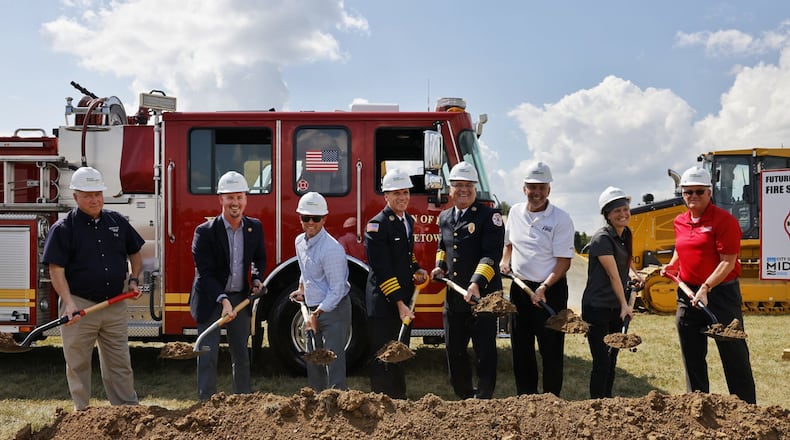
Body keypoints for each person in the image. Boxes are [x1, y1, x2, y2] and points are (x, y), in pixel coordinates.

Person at [41, 166, 144, 411]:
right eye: (88, 195)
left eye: (98, 193)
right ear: (75, 196)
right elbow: (56, 270)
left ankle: (127, 410)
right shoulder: (64, 229)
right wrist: (69, 303)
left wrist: (134, 279)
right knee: (78, 363)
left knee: (119, 361)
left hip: (115, 304)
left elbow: (135, 251)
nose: (94, 199)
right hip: (79, 305)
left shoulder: (116, 222)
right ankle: (82, 412)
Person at [660, 166, 756, 404]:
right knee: (692, 354)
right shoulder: (680, 221)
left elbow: (728, 262)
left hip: (720, 294)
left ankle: (745, 408)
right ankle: (698, 405)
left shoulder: (725, 221)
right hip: (688, 293)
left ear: (709, 193)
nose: (692, 196)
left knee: (733, 352)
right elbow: (681, 249)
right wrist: (672, 265)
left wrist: (706, 287)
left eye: (698, 192)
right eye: (687, 192)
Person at [499, 161, 575, 396]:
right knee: (521, 347)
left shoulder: (561, 219)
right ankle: (526, 396)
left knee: (551, 347)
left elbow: (564, 261)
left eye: (542, 187)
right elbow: (509, 243)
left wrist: (543, 287)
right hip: (520, 290)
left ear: (549, 190)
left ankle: (551, 399)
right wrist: (505, 259)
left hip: (550, 291)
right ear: (524, 189)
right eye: (532, 187)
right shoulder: (514, 212)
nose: (537, 193)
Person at [189, 170, 266, 401]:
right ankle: (206, 402)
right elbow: (206, 273)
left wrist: (256, 278)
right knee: (208, 353)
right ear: (220, 199)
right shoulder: (205, 232)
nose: (235, 203)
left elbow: (258, 259)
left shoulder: (255, 227)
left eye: (239, 197)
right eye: (230, 197)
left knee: (241, 352)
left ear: (246, 199)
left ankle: (242, 403)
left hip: (239, 298)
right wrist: (223, 300)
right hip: (212, 299)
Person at [431, 161, 505, 399]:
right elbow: (443, 246)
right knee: (454, 350)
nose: (463, 190)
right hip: (454, 297)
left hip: (482, 296)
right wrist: (440, 266)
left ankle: (483, 398)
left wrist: (476, 283)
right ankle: (463, 396)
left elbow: (491, 255)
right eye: (458, 185)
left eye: (468, 185)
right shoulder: (444, 217)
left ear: (475, 187)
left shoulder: (490, 216)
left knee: (484, 350)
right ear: (450, 189)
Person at [364, 168, 428, 399]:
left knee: (400, 352)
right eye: (396, 193)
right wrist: (400, 304)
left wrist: (417, 268)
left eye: (405, 192)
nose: (402, 197)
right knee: (384, 356)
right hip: (385, 303)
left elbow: (404, 255)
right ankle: (381, 402)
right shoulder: (376, 226)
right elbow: (382, 269)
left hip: (403, 301)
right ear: (386, 196)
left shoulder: (407, 220)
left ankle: (399, 401)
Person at [581, 186, 643, 398]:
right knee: (602, 362)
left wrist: (634, 274)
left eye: (625, 209)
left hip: (615, 306)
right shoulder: (601, 239)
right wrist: (626, 305)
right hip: (597, 307)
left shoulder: (625, 234)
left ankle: (607, 403)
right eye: (617, 210)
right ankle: (596, 405)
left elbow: (625, 261)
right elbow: (614, 275)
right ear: (607, 214)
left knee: (612, 359)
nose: (623, 214)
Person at [289, 192, 352, 391]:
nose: (310, 222)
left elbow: (337, 289)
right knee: (313, 357)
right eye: (305, 218)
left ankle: (336, 401)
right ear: (299, 217)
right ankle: (316, 400)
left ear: (324, 219)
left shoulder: (331, 250)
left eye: (315, 218)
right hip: (313, 308)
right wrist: (302, 289)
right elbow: (306, 271)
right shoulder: (300, 242)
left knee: (332, 360)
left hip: (334, 310)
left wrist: (316, 314)